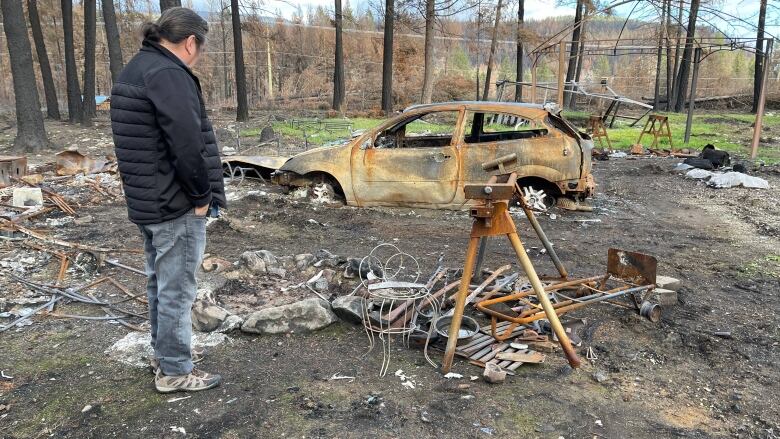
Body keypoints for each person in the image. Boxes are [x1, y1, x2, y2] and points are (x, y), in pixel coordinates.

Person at [110, 7, 226, 393]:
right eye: (202, 48)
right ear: (191, 42)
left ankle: (164, 355)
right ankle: (175, 370)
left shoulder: (138, 68)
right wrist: (200, 196)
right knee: (177, 289)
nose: (200, 55)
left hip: (148, 200)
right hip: (175, 202)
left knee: (160, 283)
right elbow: (187, 144)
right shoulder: (169, 75)